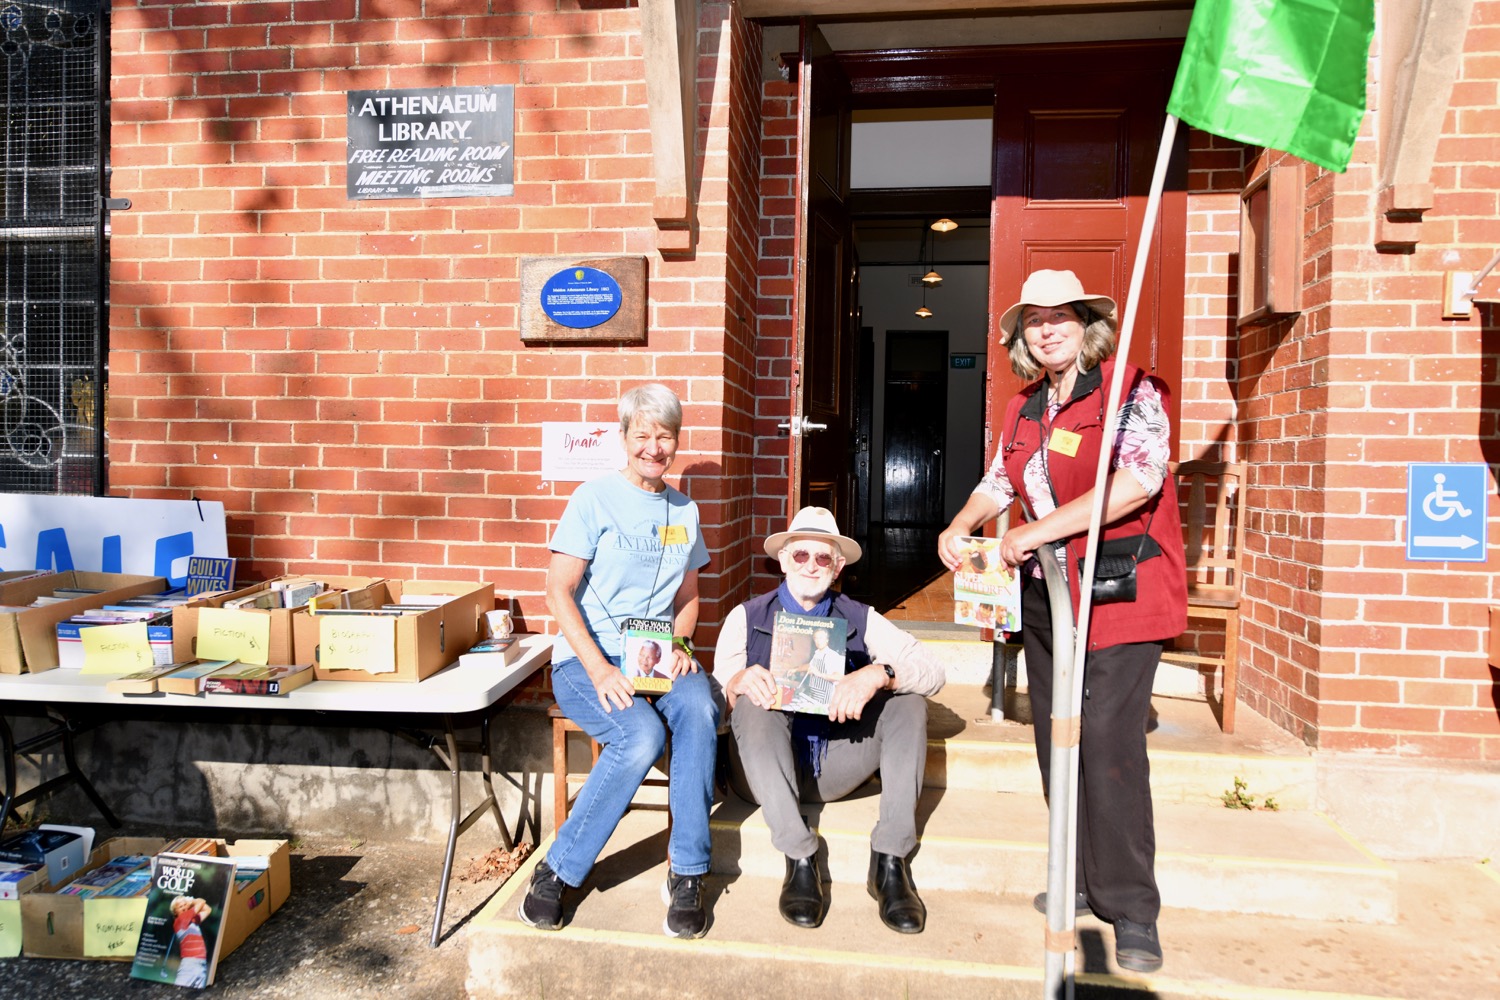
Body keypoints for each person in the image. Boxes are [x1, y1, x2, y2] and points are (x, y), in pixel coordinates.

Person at [937, 268, 1186, 974]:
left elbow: (1139, 480)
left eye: (1060, 317)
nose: (1046, 330)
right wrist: (961, 525)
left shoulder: (1131, 391)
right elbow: (1000, 480)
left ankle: (1130, 907)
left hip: (1121, 593)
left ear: (1087, 325)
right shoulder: (1025, 407)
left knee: (1107, 742)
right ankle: (1072, 875)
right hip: (1050, 596)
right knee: (1058, 739)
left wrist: (1035, 531)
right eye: (1034, 320)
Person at [520, 383, 719, 939]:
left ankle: (688, 872)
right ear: (623, 436)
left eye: (665, 436)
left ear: (676, 440)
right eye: (643, 435)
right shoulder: (592, 499)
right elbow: (558, 591)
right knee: (640, 737)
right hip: (588, 661)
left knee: (700, 708)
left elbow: (688, 598)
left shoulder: (685, 510)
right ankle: (557, 871)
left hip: (654, 656)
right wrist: (600, 668)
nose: (654, 448)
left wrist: (681, 645)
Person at [715, 507, 946, 934]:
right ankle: (800, 856)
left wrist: (880, 673)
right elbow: (714, 706)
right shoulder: (746, 617)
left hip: (833, 764)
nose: (811, 566)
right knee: (751, 704)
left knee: (909, 702)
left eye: (822, 558)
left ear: (837, 567)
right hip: (761, 771)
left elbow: (934, 671)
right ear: (783, 560)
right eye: (800, 555)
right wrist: (736, 683)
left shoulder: (860, 617)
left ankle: (890, 861)